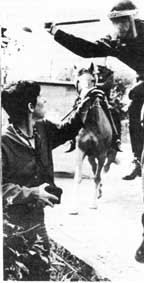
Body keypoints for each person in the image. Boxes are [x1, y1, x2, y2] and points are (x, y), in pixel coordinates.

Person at [47, 0, 144, 180]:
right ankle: (137, 160)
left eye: (123, 21)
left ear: (133, 18)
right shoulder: (113, 42)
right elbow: (86, 50)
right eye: (115, 22)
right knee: (133, 102)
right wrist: (57, 32)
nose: (120, 26)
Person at [1, 80, 83, 280]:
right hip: (10, 227)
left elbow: (68, 129)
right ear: (30, 107)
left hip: (37, 221)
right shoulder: (4, 142)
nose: (44, 100)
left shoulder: (42, 130)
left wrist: (86, 102)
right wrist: (32, 193)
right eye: (40, 97)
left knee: (41, 272)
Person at [66, 65, 122, 153]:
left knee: (114, 113)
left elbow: (108, 85)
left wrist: (94, 86)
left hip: (102, 97)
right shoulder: (89, 72)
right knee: (74, 109)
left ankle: (115, 138)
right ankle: (72, 139)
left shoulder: (109, 73)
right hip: (85, 97)